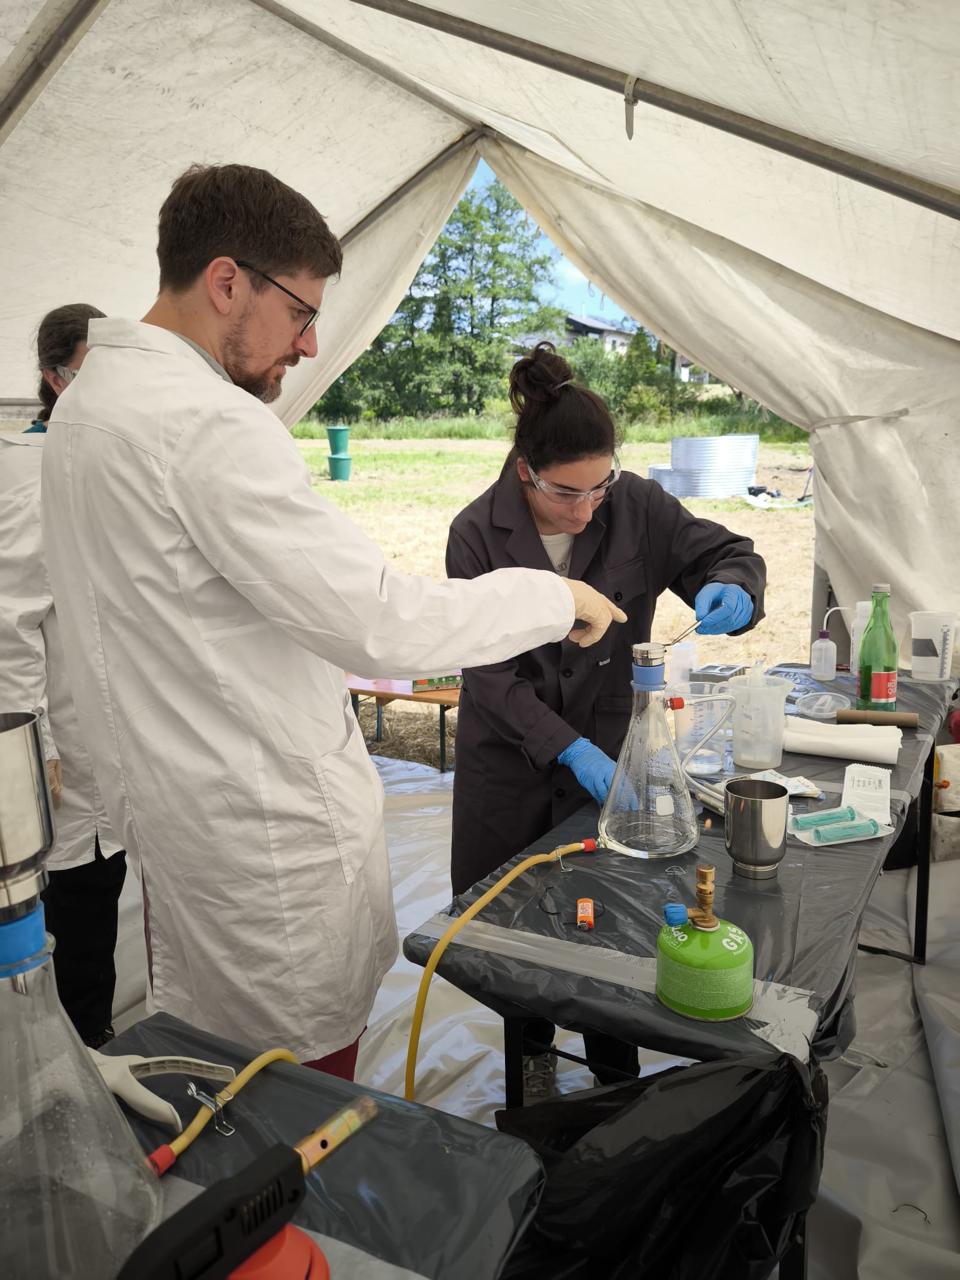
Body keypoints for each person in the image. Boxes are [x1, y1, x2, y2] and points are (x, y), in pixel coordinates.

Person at [39, 165, 625, 1081]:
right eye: (303, 313)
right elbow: (380, 623)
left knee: (222, 1084)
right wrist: (554, 599)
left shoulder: (87, 409)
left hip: (184, 829)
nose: (311, 347)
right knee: (299, 1094)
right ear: (227, 281)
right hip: (264, 841)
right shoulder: (205, 424)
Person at [446, 342, 767, 1097]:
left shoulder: (636, 508)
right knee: (519, 941)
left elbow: (724, 549)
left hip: (617, 764)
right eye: (567, 493)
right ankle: (530, 1075)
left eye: (602, 486)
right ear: (525, 470)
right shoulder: (475, 536)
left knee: (612, 929)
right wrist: (568, 750)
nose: (589, 508)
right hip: (513, 773)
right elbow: (488, 674)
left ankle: (615, 1082)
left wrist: (734, 585)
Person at [0, 303, 127, 1048]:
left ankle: (92, 1041)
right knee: (70, 912)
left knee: (97, 893)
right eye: (90, 369)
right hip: (57, 748)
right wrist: (31, 749)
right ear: (54, 377)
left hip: (101, 738)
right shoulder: (32, 471)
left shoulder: (97, 459)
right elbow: (11, 620)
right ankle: (76, 1061)